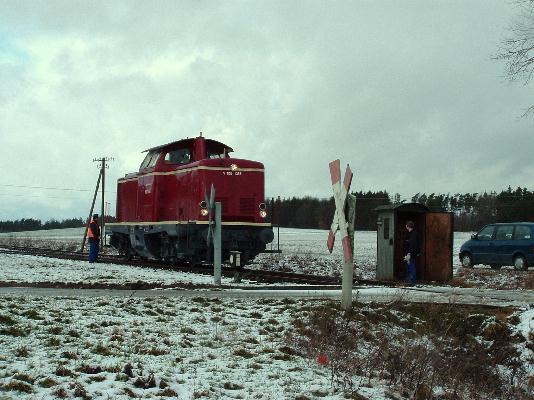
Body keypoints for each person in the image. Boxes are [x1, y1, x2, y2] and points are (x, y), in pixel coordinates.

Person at [403, 220, 419, 286]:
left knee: (411, 266)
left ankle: (412, 280)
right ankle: (409, 279)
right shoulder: (411, 233)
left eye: (406, 225)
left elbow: (413, 244)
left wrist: (409, 253)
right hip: (409, 253)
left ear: (407, 226)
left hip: (410, 254)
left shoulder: (413, 234)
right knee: (408, 265)